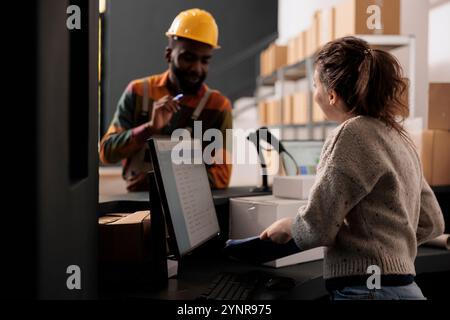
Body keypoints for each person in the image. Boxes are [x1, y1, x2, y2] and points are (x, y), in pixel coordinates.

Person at [260, 37, 445, 300]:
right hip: (405, 289)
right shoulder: (400, 137)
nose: (314, 93)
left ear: (332, 95)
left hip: (366, 290)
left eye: (315, 85)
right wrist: (389, 245)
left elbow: (318, 228)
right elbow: (432, 222)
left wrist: (289, 226)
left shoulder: (350, 134)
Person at [100, 8, 232, 191]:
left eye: (205, 61)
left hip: (190, 209)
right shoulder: (138, 92)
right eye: (188, 58)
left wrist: (159, 181)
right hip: (137, 204)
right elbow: (107, 152)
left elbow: (221, 175)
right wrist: (149, 129)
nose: (197, 68)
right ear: (169, 54)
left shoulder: (217, 107)